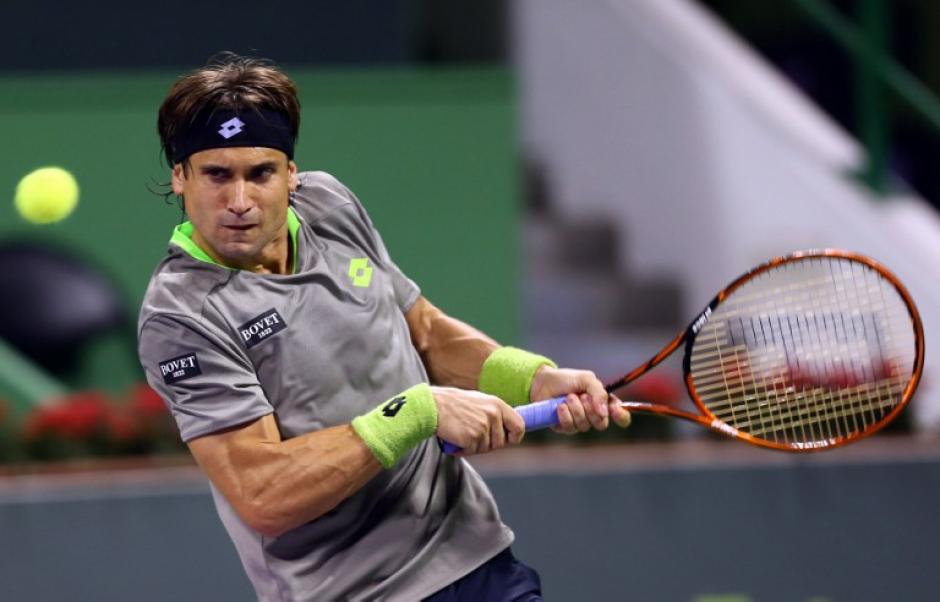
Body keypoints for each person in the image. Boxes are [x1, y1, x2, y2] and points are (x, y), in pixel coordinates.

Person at [137, 53, 631, 602]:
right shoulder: (180, 316)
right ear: (180, 177)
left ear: (292, 174)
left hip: (474, 555)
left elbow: (422, 331)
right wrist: (417, 412)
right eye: (216, 175)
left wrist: (531, 378)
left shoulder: (328, 204)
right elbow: (263, 494)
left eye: (260, 174)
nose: (239, 202)